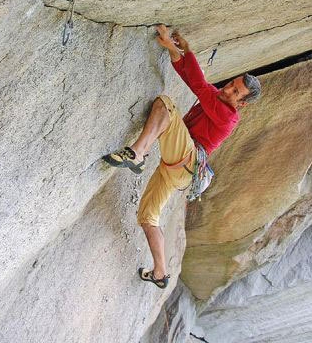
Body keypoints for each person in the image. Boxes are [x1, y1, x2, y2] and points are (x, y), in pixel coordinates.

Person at [102, 25, 261, 289]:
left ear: (242, 103)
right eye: (232, 84)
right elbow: (190, 76)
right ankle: (160, 273)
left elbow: (199, 85)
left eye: (235, 92)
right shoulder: (217, 99)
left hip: (186, 161)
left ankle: (138, 153)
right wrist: (179, 50)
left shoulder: (228, 116)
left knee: (165, 105)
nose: (228, 90)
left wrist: (179, 49)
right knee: (148, 217)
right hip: (178, 171)